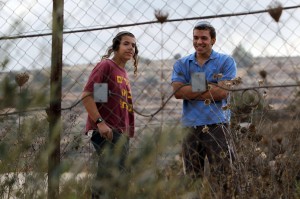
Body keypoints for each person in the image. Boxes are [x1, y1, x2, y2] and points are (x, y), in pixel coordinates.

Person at [171, 21, 237, 182]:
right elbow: (178, 92)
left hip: (217, 124)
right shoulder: (182, 64)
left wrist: (191, 90)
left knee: (222, 175)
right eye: (195, 38)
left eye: (204, 38)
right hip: (190, 127)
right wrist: (211, 88)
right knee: (193, 178)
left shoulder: (226, 61)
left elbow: (222, 92)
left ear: (213, 40)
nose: (199, 42)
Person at [81, 31, 138, 198]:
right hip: (107, 132)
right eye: (126, 43)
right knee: (108, 178)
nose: (131, 48)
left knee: (120, 179)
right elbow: (87, 96)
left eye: (133, 45)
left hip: (121, 133)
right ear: (115, 47)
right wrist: (100, 122)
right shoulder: (106, 66)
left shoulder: (122, 73)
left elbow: (100, 98)